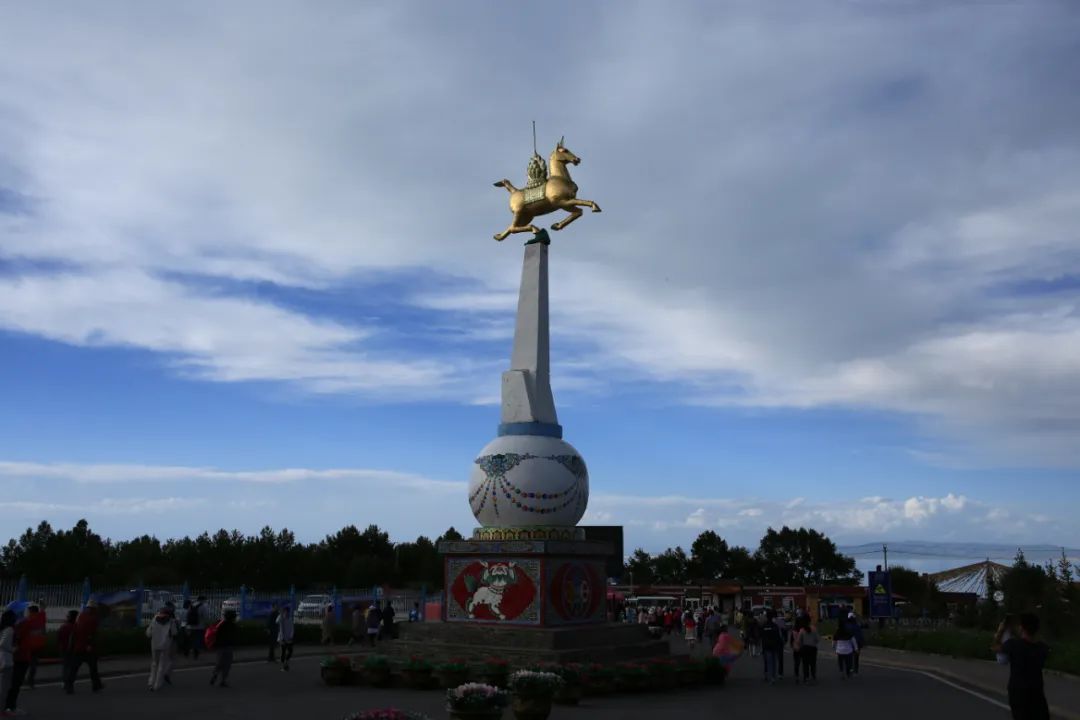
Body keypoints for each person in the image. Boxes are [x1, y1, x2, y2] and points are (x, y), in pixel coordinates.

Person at [992, 613, 1050, 720]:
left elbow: (995, 648)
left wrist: (1000, 631)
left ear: (1022, 628)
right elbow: (1031, 643)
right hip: (1037, 692)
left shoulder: (1013, 645)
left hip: (1018, 693)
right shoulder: (1043, 648)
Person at [146, 605, 176, 691]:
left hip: (154, 644)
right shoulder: (171, 621)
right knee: (162, 665)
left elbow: (148, 633)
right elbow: (174, 632)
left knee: (154, 663)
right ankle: (157, 685)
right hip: (166, 644)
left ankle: (151, 682)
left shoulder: (154, 619)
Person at [210, 609, 238, 688]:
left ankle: (215, 673)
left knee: (219, 662)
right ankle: (223, 680)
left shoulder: (219, 623)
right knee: (227, 664)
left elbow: (214, 632)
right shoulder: (233, 625)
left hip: (219, 646)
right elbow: (234, 637)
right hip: (228, 646)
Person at [22, 602, 45, 690]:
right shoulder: (41, 618)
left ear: (30, 611)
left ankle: (23, 680)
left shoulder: (27, 620)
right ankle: (31, 682)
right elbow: (43, 611)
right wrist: (41, 603)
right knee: (33, 665)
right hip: (38, 645)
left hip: (28, 646)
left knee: (24, 664)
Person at [57, 610, 78, 691]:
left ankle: (65, 682)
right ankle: (69, 682)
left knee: (66, 666)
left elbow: (58, 638)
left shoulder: (64, 627)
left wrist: (59, 647)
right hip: (73, 649)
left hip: (64, 649)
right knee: (72, 667)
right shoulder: (76, 626)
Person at [761, 611, 782, 684]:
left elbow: (762, 637)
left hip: (767, 646)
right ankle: (773, 677)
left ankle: (770, 677)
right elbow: (778, 637)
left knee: (769, 662)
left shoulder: (764, 626)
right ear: (772, 617)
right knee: (774, 662)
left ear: (766, 617)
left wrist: (762, 648)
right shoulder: (775, 626)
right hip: (774, 646)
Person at [0, 610, 15, 716]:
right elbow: (3, 644)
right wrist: (13, 649)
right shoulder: (9, 629)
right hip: (6, 661)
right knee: (4, 688)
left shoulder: (2, 628)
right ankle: (1, 710)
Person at [798, 616, 820, 684]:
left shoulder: (802, 630)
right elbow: (817, 639)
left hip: (805, 648)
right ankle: (813, 676)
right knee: (813, 663)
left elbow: (799, 641)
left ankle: (806, 677)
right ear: (809, 621)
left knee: (805, 664)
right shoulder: (814, 629)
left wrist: (801, 646)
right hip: (813, 648)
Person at [187, 595, 209, 660]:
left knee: (192, 639)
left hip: (190, 626)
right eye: (205, 600)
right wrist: (207, 624)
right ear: (202, 600)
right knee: (198, 640)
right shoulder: (202, 606)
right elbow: (205, 616)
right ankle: (196, 653)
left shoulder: (191, 605)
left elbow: (188, 615)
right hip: (199, 626)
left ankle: (191, 650)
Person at [277, 605, 295, 671]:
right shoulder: (281, 619)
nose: (287, 613)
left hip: (289, 638)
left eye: (288, 612)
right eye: (285, 612)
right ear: (284, 612)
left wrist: (291, 636)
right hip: (282, 639)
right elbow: (279, 625)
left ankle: (286, 662)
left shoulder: (290, 619)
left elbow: (292, 629)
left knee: (290, 651)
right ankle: (284, 666)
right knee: (283, 652)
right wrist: (280, 615)